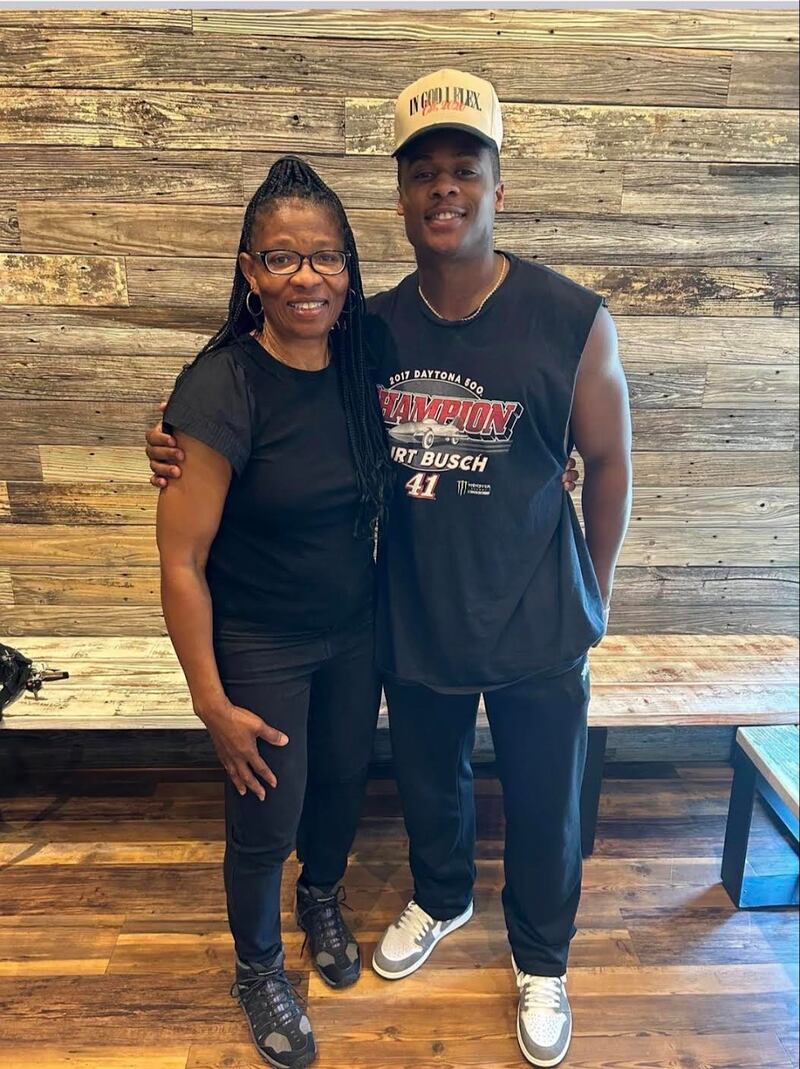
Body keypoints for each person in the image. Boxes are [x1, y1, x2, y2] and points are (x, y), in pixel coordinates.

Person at [147, 70, 631, 1069]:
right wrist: (173, 431)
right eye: (422, 174)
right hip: (411, 613)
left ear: (497, 186)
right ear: (402, 201)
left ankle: (542, 959)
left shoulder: (571, 317)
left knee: (544, 803)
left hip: (538, 617)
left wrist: (595, 585)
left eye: (465, 169)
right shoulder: (369, 328)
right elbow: (263, 375)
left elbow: (611, 459)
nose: (443, 188)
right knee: (428, 787)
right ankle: (442, 897)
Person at [155, 156, 394, 1069]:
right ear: (250, 270)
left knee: (340, 784)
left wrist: (555, 457)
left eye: (325, 256)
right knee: (266, 818)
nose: (307, 277)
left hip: (354, 628)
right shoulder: (222, 387)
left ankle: (321, 896)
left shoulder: (363, 359)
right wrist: (211, 702)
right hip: (261, 642)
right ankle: (257, 969)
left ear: (348, 268)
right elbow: (180, 562)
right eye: (284, 257)